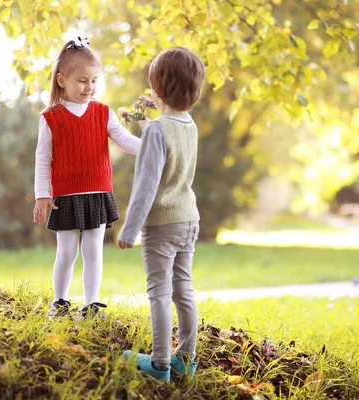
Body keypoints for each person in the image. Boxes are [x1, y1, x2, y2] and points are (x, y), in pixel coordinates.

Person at [33, 37, 140, 319]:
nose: (89, 87)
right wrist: (42, 194)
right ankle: (60, 302)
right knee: (66, 252)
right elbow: (43, 159)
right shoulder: (50, 117)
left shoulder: (103, 113)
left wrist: (149, 147)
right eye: (82, 81)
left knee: (93, 251)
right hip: (65, 197)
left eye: (93, 81)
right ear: (61, 80)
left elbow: (125, 140)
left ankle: (92, 304)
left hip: (97, 193)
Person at [117, 46, 205, 382]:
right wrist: (139, 120)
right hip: (188, 219)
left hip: (161, 224)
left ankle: (160, 364)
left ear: (157, 89)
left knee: (159, 292)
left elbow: (147, 184)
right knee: (184, 289)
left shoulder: (157, 130)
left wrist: (130, 230)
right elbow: (161, 143)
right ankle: (186, 359)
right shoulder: (189, 125)